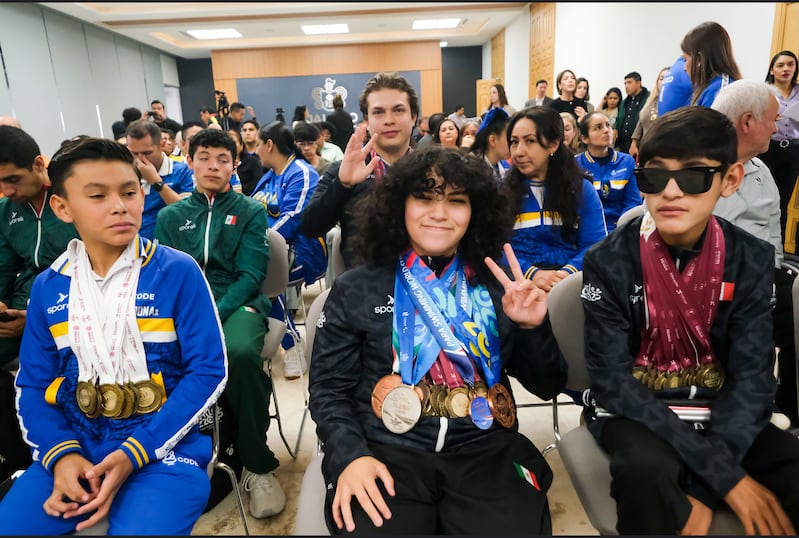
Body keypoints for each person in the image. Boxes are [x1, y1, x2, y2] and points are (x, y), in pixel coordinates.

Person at [309, 145, 567, 535]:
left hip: (486, 451)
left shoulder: (498, 286)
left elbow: (548, 385)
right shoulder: (357, 287)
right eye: (424, 198)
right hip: (385, 450)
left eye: (456, 201)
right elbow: (328, 390)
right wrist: (349, 457)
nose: (440, 213)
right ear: (400, 206)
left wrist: (533, 329)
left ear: (475, 211)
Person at [581, 106, 799, 535]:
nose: (670, 192)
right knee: (645, 474)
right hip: (638, 413)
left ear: (730, 180)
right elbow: (614, 383)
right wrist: (728, 479)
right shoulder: (608, 261)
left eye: (694, 175)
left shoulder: (751, 259)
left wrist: (708, 484)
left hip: (724, 410)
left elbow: (753, 380)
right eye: (654, 176)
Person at [0, 137, 227, 534]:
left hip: (163, 452)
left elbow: (208, 371)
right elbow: (33, 385)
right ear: (63, 208)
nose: (120, 205)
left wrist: (135, 452)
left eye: (129, 191)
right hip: (75, 450)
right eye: (97, 196)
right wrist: (61, 456)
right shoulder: (48, 287)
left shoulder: (176, 272)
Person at [155, 129, 286, 520]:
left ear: (234, 164)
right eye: (204, 157)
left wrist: (212, 312)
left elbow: (250, 274)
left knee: (239, 353)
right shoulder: (170, 216)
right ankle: (171, 461)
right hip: (183, 307)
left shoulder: (250, 211)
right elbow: (165, 275)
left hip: (239, 303)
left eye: (223, 159)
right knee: (155, 355)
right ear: (189, 161)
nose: (213, 166)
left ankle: (257, 464)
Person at [711, 80, 797, 428]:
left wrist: (771, 278)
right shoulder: (695, 172)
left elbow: (773, 235)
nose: (776, 129)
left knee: (795, 309)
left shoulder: (763, 173)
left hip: (759, 276)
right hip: (710, 283)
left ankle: (790, 408)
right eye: (773, 120)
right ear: (747, 122)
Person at [301, 71, 418, 268]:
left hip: (426, 281)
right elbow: (310, 227)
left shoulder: (432, 170)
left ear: (413, 117)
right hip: (365, 281)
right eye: (378, 112)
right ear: (367, 120)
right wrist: (342, 186)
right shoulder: (342, 171)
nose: (389, 120)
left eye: (398, 110)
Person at [253, 121, 327, 379]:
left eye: (258, 145)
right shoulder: (269, 176)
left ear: (269, 145)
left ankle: (292, 343)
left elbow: (294, 218)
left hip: (303, 251)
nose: (255, 151)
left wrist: (256, 242)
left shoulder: (301, 173)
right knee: (244, 274)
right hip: (267, 251)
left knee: (258, 278)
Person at [0, 126, 79, 367]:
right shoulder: (5, 210)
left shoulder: (73, 198)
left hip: (72, 298)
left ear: (38, 164)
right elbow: (3, 269)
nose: (7, 191)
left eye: (13, 180)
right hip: (23, 299)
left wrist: (35, 317)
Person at [506, 107, 607, 292]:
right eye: (514, 142)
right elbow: (495, 247)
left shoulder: (581, 190)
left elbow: (595, 245)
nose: (518, 152)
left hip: (571, 286)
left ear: (553, 145)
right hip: (516, 285)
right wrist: (532, 274)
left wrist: (565, 276)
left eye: (530, 141)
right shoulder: (502, 192)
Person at [125, 119, 194, 240]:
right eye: (134, 154)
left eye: (147, 153)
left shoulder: (183, 171)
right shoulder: (126, 174)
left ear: (162, 145)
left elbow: (186, 212)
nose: (140, 159)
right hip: (136, 244)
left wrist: (156, 181)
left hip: (173, 243)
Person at [575, 112, 641, 232]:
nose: (606, 130)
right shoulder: (575, 164)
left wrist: (621, 226)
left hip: (620, 228)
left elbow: (633, 202)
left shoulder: (627, 162)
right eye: (598, 127)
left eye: (608, 125)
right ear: (584, 138)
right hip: (588, 228)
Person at [760, 50, 799, 245]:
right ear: (772, 70)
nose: (786, 69)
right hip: (768, 149)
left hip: (792, 150)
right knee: (762, 199)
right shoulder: (763, 92)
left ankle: (778, 249)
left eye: (790, 64)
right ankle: (759, 243)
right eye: (780, 65)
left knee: (783, 202)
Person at [680, 21, 742, 107]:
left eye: (685, 60)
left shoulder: (719, 90)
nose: (684, 68)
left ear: (699, 59)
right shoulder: (706, 88)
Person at [628, 66, 671, 162]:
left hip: (665, 152)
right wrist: (634, 143)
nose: (664, 82)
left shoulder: (677, 102)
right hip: (645, 150)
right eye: (661, 79)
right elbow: (641, 121)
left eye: (668, 78)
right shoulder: (651, 101)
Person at [470, 107, 510, 181]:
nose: (513, 144)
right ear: (493, 140)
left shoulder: (507, 167)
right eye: (509, 138)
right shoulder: (471, 172)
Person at [617, 72, 651, 154]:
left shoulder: (648, 99)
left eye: (629, 82)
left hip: (641, 143)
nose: (626, 86)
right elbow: (619, 118)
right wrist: (615, 128)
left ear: (638, 83)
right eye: (625, 83)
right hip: (623, 144)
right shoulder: (624, 102)